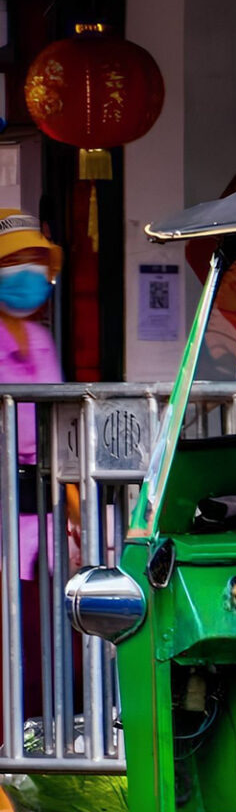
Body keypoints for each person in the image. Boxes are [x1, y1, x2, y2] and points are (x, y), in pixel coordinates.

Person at [0, 211, 65, 729]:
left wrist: (73, 506)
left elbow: (54, 426)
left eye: (36, 264)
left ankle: (35, 738)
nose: (28, 276)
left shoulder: (41, 342)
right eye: (15, 263)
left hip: (36, 499)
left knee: (37, 627)